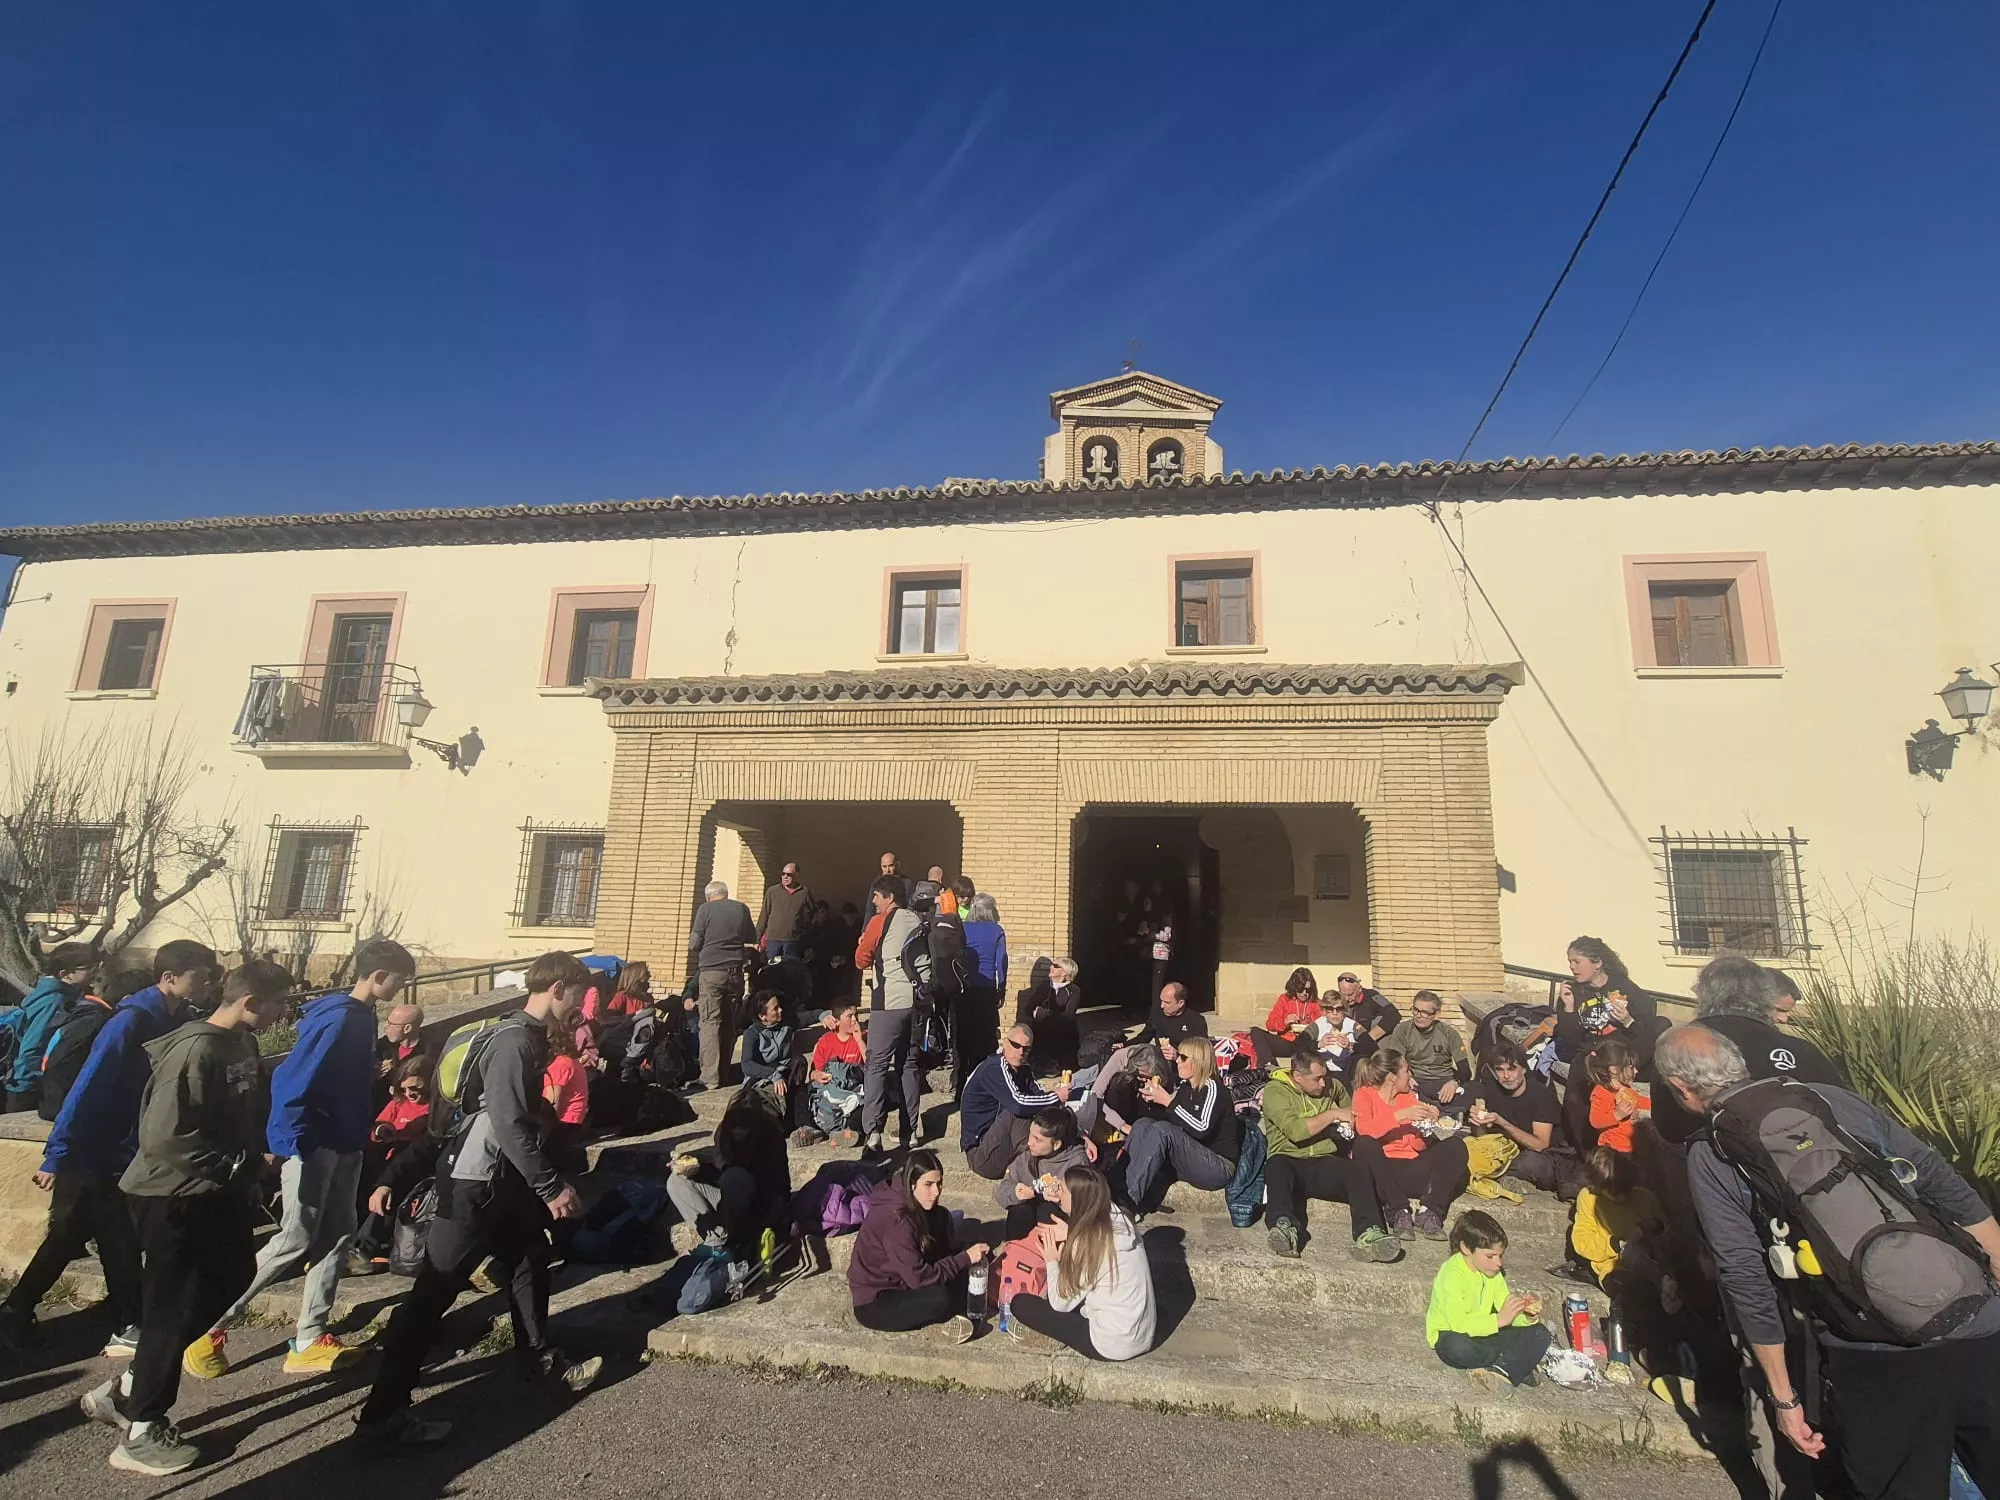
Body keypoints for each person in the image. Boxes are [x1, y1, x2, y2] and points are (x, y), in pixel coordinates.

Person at [1658, 1024, 2000, 1500]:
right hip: (1977, 1320)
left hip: (1874, 1350)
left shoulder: (1712, 1154)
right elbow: (1938, 1178)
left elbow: (1745, 1277)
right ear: (1738, 1062)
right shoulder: (1831, 1099)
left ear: (1680, 1088)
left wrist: (1785, 1399)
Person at [353, 953, 601, 1449]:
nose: (580, 1004)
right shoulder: (514, 1042)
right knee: (433, 1293)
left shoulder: (521, 1036)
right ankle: (383, 1415)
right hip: (476, 1184)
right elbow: (507, 1123)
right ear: (558, 988)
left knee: (530, 1257)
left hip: (499, 1182)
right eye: (577, 993)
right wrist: (551, 1186)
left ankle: (539, 1360)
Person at [77, 961, 295, 1476]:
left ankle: (131, 1386)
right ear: (250, 1002)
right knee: (171, 1306)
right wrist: (234, 1167)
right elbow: (166, 1137)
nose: (284, 1013)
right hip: (172, 1195)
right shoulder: (195, 1049)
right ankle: (142, 1430)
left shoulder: (242, 1044)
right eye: (278, 1004)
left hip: (219, 1192)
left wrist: (248, 1166)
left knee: (231, 1279)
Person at [189, 938, 416, 1381]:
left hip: (344, 1142)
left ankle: (310, 1338)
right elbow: (293, 1081)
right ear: (378, 977)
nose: (400, 988)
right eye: (399, 980)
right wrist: (287, 1142)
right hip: (313, 1144)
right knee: (294, 1238)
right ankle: (207, 1324)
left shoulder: (361, 1017)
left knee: (338, 1236)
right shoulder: (339, 1019)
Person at [1, 940, 217, 1358]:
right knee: (116, 1236)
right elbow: (90, 1085)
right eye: (201, 976)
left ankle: (17, 1311)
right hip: (100, 1149)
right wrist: (58, 1153)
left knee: (74, 1234)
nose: (208, 984)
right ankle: (127, 1321)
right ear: (170, 977)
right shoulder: (131, 1020)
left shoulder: (178, 1018)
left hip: (129, 1148)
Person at [1651, 955, 1847, 1145]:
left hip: (1715, 1158)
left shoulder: (1677, 1047)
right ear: (1765, 995)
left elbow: (1669, 1129)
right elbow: (1843, 1110)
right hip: (1807, 1156)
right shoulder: (1801, 1050)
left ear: (1702, 993)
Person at [1262, 1042, 1402, 1263]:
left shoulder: (1332, 1086)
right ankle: (1284, 1227)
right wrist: (1332, 1115)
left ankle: (1370, 1233)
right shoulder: (1275, 1091)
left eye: (1324, 1076)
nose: (1323, 1083)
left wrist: (1347, 1118)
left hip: (1324, 1159)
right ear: (1298, 1077)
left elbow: (1352, 1110)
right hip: (1290, 1159)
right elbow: (1296, 1131)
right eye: (1316, 1078)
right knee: (1275, 1166)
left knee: (1358, 1170)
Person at [1008, 1166, 1156, 1361]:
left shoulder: (1088, 1246)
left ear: (1077, 1200)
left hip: (1111, 1344)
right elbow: (1091, 1228)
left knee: (1020, 1304)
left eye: (1062, 1189)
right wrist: (1070, 1229)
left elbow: (1060, 1303)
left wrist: (1052, 1260)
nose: (1057, 1191)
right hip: (1143, 1334)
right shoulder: (1120, 1218)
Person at [847, 1149, 987, 1338]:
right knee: (941, 1298)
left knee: (941, 1216)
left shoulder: (912, 1202)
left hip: (904, 1280)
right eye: (928, 1185)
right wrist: (964, 1259)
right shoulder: (897, 1220)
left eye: (939, 1183)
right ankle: (953, 1315)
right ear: (911, 1184)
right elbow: (919, 1279)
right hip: (877, 1300)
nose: (936, 1191)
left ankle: (957, 1303)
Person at [667, 1088, 792, 1272]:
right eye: (734, 1124)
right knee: (676, 1180)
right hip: (729, 1198)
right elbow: (719, 1171)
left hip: (762, 1201)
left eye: (744, 1124)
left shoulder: (770, 1136)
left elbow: (771, 1186)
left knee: (735, 1177)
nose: (737, 1130)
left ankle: (737, 1242)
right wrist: (695, 1169)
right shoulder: (723, 1133)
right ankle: (716, 1239)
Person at [1352, 1047, 1470, 1241]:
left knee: (1455, 1146)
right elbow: (1365, 1130)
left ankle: (1430, 1211)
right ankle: (1399, 1211)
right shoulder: (1364, 1094)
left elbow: (1417, 1146)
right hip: (1382, 1173)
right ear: (1392, 1077)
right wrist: (1400, 1116)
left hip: (1411, 1169)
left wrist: (1425, 1127)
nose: (1410, 1075)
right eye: (1406, 1071)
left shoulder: (1409, 1099)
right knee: (1364, 1145)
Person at [1425, 1209, 1552, 1388]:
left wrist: (1525, 1313)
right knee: (1456, 1346)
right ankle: (1512, 1365)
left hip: (1487, 1334)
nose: (1498, 1263)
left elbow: (1506, 1311)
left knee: (1540, 1333)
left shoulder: (1493, 1273)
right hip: (1455, 1335)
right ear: (1466, 1248)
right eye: (1490, 1256)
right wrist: (1499, 1320)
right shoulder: (1451, 1274)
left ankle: (1504, 1367)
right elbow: (1458, 1324)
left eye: (1500, 1256)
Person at [854, 875, 927, 1154]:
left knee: (877, 1066)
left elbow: (861, 959)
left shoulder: (879, 921)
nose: (873, 901)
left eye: (877, 896)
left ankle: (873, 1133)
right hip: (917, 1002)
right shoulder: (917, 919)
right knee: (909, 1065)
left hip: (888, 1002)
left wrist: (863, 943)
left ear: (890, 897)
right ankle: (910, 1132)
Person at [1126, 1034, 1240, 1214]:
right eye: (1178, 1056)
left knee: (1163, 1130)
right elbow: (1174, 1119)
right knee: (1142, 1124)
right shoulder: (1186, 1087)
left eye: (1183, 1057)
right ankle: (1123, 1190)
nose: (1177, 1060)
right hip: (1192, 1157)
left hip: (1218, 1165)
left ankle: (1128, 1204)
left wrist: (1168, 1101)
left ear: (1198, 1061)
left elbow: (1201, 1128)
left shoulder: (1213, 1089)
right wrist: (1152, 1102)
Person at [1465, 1041, 1577, 1198]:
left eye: (1512, 1069)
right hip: (1509, 1150)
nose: (1506, 1076)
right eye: (1500, 1070)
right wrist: (1478, 1123)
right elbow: (1482, 1137)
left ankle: (1514, 1180)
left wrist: (1502, 1123)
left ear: (1523, 1069)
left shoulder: (1541, 1095)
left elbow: (1540, 1145)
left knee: (1528, 1162)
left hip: (1549, 1156)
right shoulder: (1492, 1091)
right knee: (1463, 1145)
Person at [35, 968, 145, 1124]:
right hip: (70, 1109)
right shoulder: (101, 1023)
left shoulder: (84, 1012)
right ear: (128, 998)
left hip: (54, 1102)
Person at [961, 1024, 1061, 1179]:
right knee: (1018, 1110)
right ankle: (1029, 1164)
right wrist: (1056, 1096)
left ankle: (1041, 1157)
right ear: (1005, 1043)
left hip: (1001, 1143)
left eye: (1026, 1049)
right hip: (981, 1155)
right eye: (1015, 1045)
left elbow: (1039, 1098)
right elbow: (1019, 1105)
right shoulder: (994, 1067)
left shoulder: (1023, 1069)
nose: (1020, 1052)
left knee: (1036, 1107)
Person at [4, 943, 95, 1112]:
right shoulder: (54, 1002)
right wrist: (50, 1080)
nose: (96, 972)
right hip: (28, 1088)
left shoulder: (63, 995)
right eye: (89, 967)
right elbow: (31, 1049)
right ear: (65, 974)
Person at [687, 880, 757, 1091]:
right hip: (735, 972)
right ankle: (724, 1073)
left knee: (710, 1023)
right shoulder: (742, 908)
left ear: (709, 896)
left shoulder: (705, 909)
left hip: (712, 972)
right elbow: (751, 937)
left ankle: (709, 1077)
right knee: (728, 1023)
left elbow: (694, 943)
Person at [995, 1106, 1093, 1239]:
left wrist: (1061, 1199)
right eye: (1030, 1135)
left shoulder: (1076, 1163)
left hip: (1057, 1224)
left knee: (1047, 1209)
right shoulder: (1027, 1156)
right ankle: (1015, 1249)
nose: (1030, 1142)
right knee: (1019, 1210)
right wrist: (1015, 1192)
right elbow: (1003, 1189)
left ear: (1056, 1144)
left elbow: (1084, 1206)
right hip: (1027, 1219)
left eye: (1038, 1139)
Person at [1386, 991, 1470, 1114]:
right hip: (1415, 1080)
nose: (1418, 1016)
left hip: (1443, 1080)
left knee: (1473, 1090)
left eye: (1425, 1013)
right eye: (1416, 1010)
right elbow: (1394, 1062)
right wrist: (1407, 1078)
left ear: (1436, 1015)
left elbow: (1465, 1069)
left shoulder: (1449, 1033)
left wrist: (1454, 1083)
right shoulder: (1402, 1030)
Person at [794, 1002, 866, 1147]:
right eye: (850, 1016)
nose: (855, 1020)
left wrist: (859, 1041)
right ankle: (808, 1129)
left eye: (856, 1015)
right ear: (837, 1021)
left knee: (866, 1102)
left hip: (852, 1089)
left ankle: (848, 1131)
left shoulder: (863, 1037)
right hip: (830, 1088)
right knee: (802, 1093)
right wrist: (817, 1075)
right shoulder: (825, 1041)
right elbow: (813, 1073)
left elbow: (873, 1067)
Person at [1013, 953, 1081, 1075]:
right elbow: (1029, 1008)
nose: (1051, 967)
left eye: (1056, 965)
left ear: (1064, 972)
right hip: (1041, 1030)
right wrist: (1040, 1014)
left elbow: (1068, 1015)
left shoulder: (1074, 990)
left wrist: (1045, 1014)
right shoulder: (1044, 986)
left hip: (1062, 1032)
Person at [541, 1012, 591, 1175]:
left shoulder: (559, 1066)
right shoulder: (570, 1061)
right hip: (574, 1123)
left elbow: (552, 1104)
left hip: (563, 1125)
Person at [1584, 1039, 1648, 1154]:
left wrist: (1656, 1105)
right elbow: (1595, 1121)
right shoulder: (1601, 1092)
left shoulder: (1625, 1089)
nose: (1636, 1071)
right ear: (1614, 1070)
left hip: (1632, 1146)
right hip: (1613, 1150)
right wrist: (1617, 1114)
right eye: (1631, 1068)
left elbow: (1638, 1100)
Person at [1252, 967, 1321, 1065]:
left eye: (1308, 990)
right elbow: (1270, 1024)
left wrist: (1310, 1024)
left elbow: (1321, 1026)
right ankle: (1269, 1064)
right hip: (1286, 1042)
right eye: (1300, 989)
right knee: (1255, 1032)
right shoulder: (1284, 999)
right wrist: (1285, 1022)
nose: (1304, 993)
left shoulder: (1316, 1003)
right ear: (1294, 987)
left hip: (1306, 1044)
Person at [738, 990, 793, 1111]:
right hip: (761, 1077)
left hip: (783, 1071)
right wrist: (772, 1074)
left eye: (779, 1006)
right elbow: (746, 1065)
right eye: (775, 1009)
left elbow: (810, 1016)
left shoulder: (786, 1025)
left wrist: (824, 1015)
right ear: (762, 1016)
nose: (780, 1010)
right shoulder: (752, 1034)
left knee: (799, 1061)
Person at [1134, 981, 1207, 1060]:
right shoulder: (1157, 1013)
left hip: (1184, 1063)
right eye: (1161, 1001)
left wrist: (1178, 1056)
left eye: (1167, 1002)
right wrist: (1125, 1045)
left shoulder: (1196, 1021)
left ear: (1180, 1003)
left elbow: (1201, 1054)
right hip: (1160, 1062)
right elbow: (1144, 1037)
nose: (1162, 1006)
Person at [758, 862, 814, 964]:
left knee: (790, 969)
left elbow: (810, 914)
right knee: (772, 969)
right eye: (783, 874)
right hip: (773, 940)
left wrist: (802, 933)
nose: (785, 877)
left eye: (789, 875)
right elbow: (764, 915)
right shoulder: (772, 891)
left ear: (796, 875)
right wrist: (757, 938)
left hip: (793, 941)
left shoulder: (804, 892)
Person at [372, 1002, 424, 1112]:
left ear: (407, 1028)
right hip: (380, 1108)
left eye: (391, 1024)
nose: (386, 1027)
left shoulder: (427, 1052)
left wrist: (396, 1071)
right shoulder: (383, 1046)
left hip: (408, 1111)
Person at [1337, 971, 1399, 1042]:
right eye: (1343, 994)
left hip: (1367, 1041)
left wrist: (1369, 1038)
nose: (1346, 999)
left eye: (1350, 994)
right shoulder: (1337, 999)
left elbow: (1393, 1015)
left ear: (1359, 988)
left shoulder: (1373, 996)